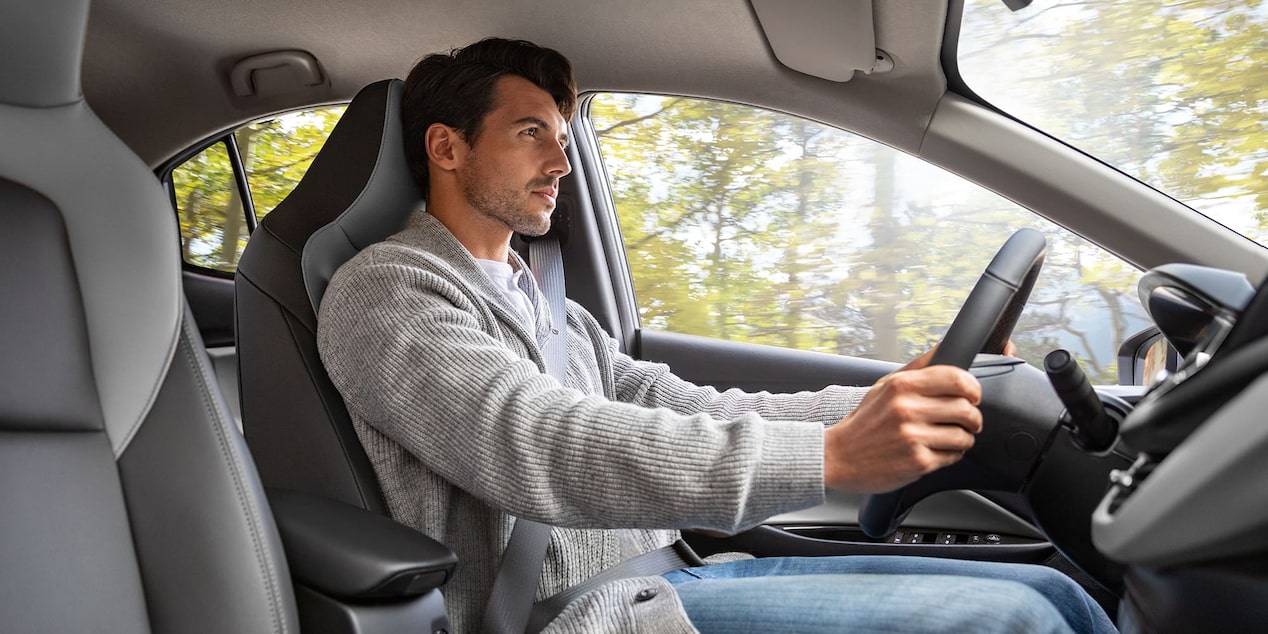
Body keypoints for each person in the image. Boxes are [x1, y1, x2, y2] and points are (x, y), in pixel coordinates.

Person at [316, 37, 1116, 634]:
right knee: (1016, 621)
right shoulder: (386, 294)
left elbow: (682, 403)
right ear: (446, 147)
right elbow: (544, 445)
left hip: (674, 577)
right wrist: (832, 458)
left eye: (563, 135)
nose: (562, 160)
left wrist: (879, 399)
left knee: (1058, 594)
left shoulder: (552, 308)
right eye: (531, 132)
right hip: (574, 617)